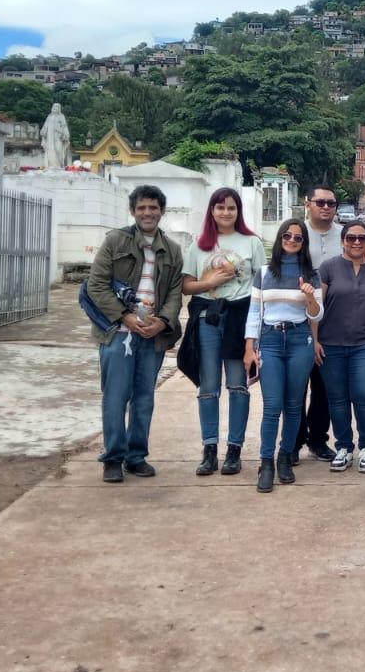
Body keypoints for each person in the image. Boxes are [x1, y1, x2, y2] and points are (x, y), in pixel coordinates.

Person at [88, 186, 184, 483]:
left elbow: (174, 293)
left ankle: (136, 456)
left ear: (161, 211)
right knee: (116, 396)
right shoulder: (115, 241)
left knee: (144, 398)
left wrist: (163, 321)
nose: (147, 213)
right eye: (141, 208)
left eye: (153, 208)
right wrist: (125, 317)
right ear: (133, 211)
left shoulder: (171, 250)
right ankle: (113, 457)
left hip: (152, 333)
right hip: (118, 332)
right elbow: (96, 286)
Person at [179, 187, 266, 477]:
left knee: (239, 385)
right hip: (208, 318)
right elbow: (186, 286)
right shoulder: (199, 244)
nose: (225, 213)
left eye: (231, 207)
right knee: (208, 386)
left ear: (238, 211)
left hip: (241, 319)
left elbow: (260, 287)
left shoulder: (252, 242)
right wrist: (210, 282)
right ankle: (209, 449)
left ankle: (234, 449)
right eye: (220, 208)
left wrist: (255, 334)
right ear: (212, 211)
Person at [245, 219, 324, 493]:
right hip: (270, 341)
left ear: (304, 243)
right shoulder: (264, 272)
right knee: (272, 405)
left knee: (293, 406)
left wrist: (311, 297)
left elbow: (317, 314)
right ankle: (265, 463)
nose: (292, 240)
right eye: (287, 236)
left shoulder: (311, 274)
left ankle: (284, 457)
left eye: (298, 238)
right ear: (280, 239)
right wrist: (249, 348)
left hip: (299, 339)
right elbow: (254, 312)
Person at [317, 218, 365, 473]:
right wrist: (314, 339)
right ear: (343, 241)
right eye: (351, 238)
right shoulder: (328, 268)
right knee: (337, 399)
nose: (356, 242)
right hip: (332, 344)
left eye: (362, 238)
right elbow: (316, 308)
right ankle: (344, 447)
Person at [298, 186, 343, 461]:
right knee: (296, 387)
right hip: (297, 319)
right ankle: (292, 441)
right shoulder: (297, 232)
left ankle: (318, 439)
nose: (326, 207)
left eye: (331, 203)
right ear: (308, 204)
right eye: (320, 202)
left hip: (334, 319)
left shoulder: (344, 236)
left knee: (323, 386)